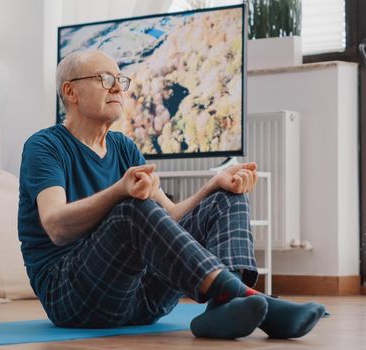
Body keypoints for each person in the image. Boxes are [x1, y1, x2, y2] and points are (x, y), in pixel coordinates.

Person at [18, 50, 325, 339]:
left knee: (225, 198)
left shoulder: (124, 147)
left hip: (141, 299)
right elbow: (56, 226)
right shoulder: (44, 146)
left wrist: (212, 186)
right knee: (130, 209)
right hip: (74, 298)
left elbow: (169, 217)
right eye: (105, 79)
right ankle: (255, 303)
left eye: (120, 80)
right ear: (70, 92)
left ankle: (224, 309)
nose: (117, 89)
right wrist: (120, 191)